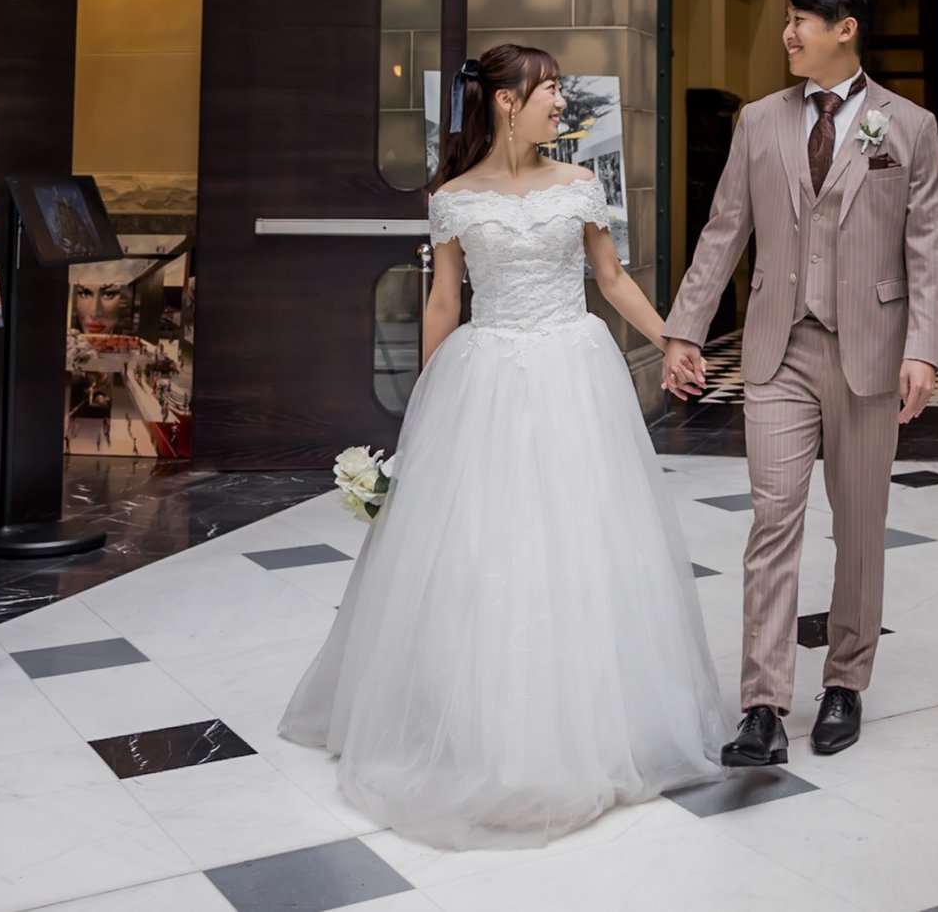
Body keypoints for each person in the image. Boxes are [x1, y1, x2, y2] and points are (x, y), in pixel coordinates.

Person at [280, 44, 725, 849]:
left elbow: (612, 278)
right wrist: (420, 409)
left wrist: (674, 339)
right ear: (505, 102)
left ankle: (595, 719)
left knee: (585, 540)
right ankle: (486, 726)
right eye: (551, 89)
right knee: (490, 550)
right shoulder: (451, 199)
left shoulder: (582, 183)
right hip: (486, 378)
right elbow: (444, 301)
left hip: (573, 369)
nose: (563, 102)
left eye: (559, 88)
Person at [661, 0, 938, 767]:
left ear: (845, 27)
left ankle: (846, 681)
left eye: (800, 21)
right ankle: (761, 703)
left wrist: (922, 346)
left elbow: (928, 245)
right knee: (772, 520)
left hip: (870, 349)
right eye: (787, 21)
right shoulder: (758, 121)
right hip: (777, 348)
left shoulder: (909, 126)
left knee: (859, 527)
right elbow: (724, 230)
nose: (788, 34)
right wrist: (686, 327)